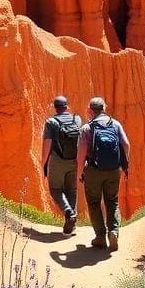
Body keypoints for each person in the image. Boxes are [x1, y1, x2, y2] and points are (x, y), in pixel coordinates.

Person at [77, 97, 130, 251]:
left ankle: (100, 237)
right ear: (104, 108)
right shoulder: (116, 124)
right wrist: (124, 165)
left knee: (94, 202)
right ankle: (113, 231)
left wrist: (80, 172)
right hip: (114, 169)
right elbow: (126, 144)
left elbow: (80, 155)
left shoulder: (86, 128)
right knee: (112, 201)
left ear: (90, 110)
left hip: (93, 170)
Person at [41, 95, 82, 234]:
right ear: (67, 107)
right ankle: (72, 221)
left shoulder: (51, 122)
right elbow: (80, 142)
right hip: (74, 161)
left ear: (55, 108)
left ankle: (69, 212)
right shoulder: (77, 119)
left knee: (55, 189)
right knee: (72, 190)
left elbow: (47, 145)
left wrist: (44, 163)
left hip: (58, 161)